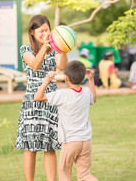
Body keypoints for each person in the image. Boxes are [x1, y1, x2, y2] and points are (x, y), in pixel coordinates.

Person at [15, 14, 68, 181]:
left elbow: (62, 66)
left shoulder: (53, 48)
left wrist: (63, 48)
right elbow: (35, 65)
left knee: (49, 146)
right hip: (32, 99)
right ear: (32, 32)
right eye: (41, 31)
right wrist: (45, 48)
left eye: (47, 30)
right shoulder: (25, 49)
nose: (45, 33)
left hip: (50, 97)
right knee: (30, 146)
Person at [34, 60, 99, 181]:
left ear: (66, 78)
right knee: (84, 175)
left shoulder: (62, 94)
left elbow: (37, 96)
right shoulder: (85, 92)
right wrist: (91, 79)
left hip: (70, 142)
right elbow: (94, 99)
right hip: (85, 141)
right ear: (82, 77)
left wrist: (47, 79)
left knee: (65, 174)